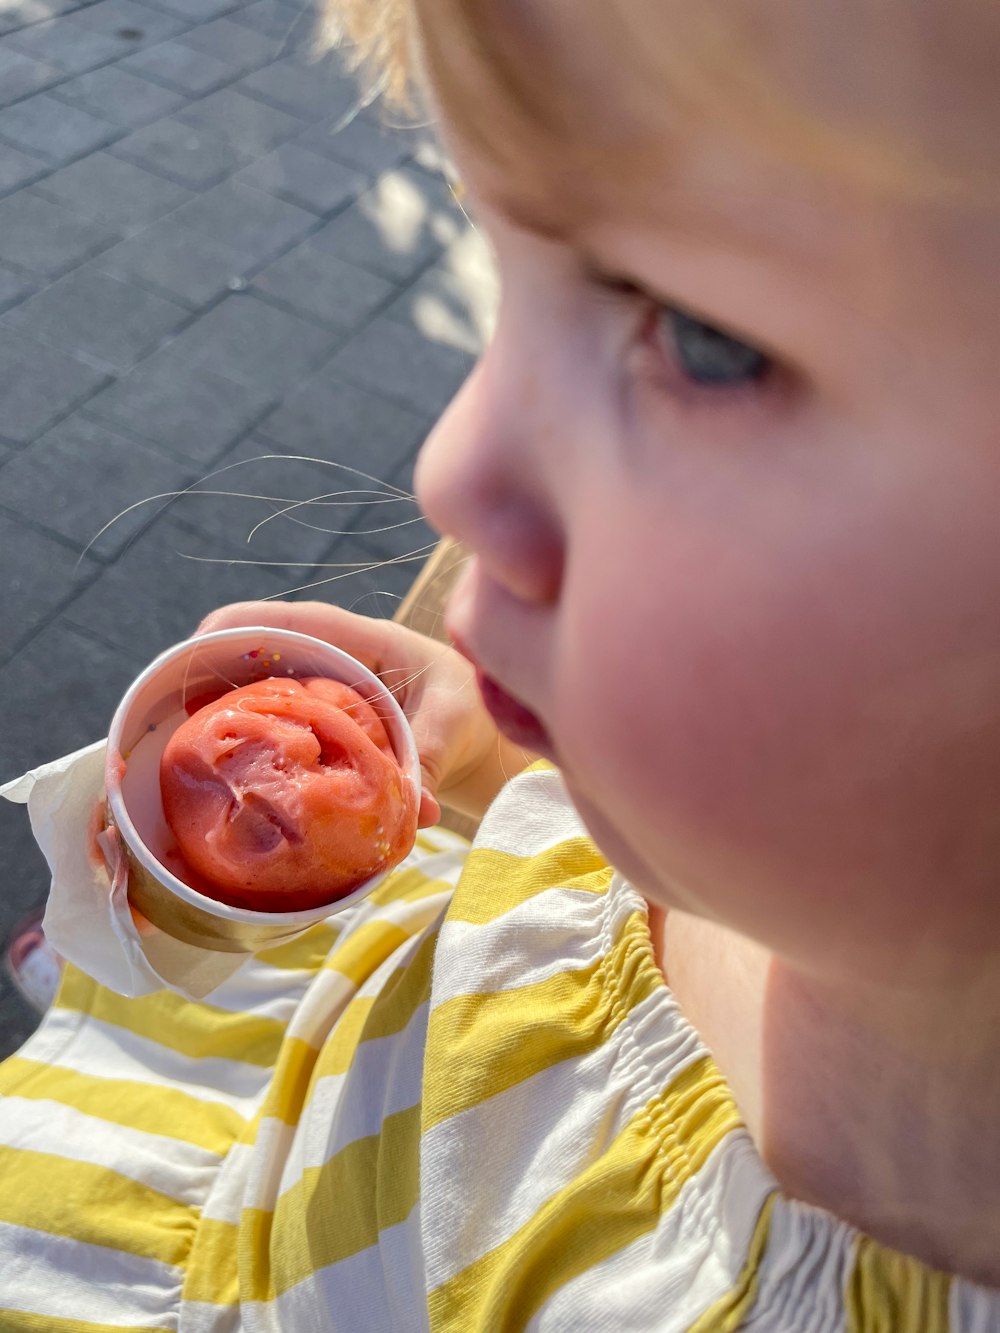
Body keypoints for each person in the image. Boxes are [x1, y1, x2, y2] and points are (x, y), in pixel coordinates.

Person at [3, 0, 1000, 1326]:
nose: (449, 471)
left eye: (705, 340)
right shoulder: (785, 838)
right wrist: (491, 744)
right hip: (315, 1130)